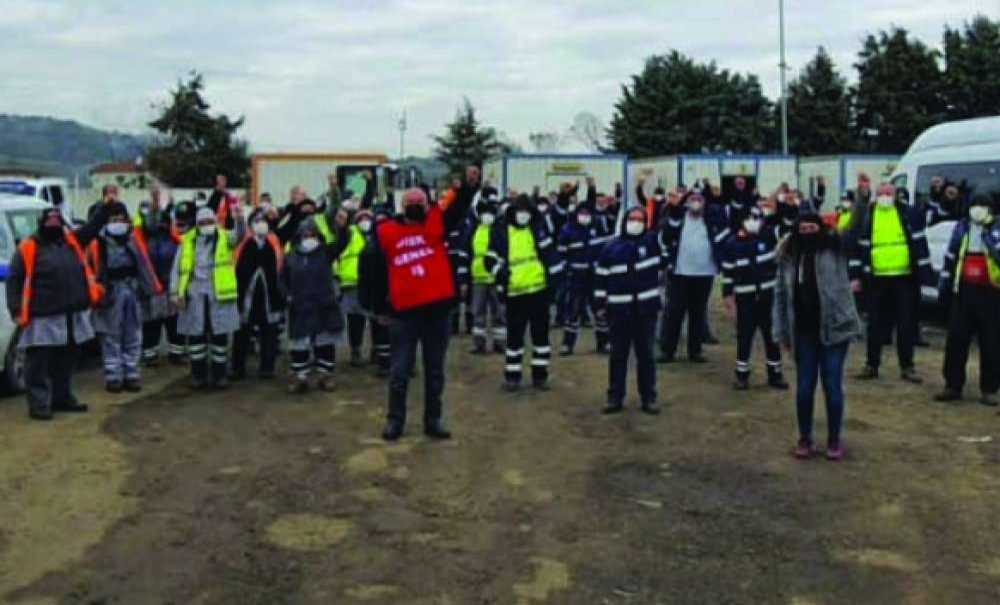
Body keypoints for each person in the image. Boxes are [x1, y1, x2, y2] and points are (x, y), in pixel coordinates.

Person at [361, 167, 480, 441]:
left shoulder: (436, 223)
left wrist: (468, 188)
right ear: (403, 207)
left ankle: (433, 419)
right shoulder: (386, 231)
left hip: (437, 312)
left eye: (421, 204)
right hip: (404, 314)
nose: (416, 208)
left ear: (427, 206)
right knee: (399, 372)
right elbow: (371, 271)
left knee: (435, 371)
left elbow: (458, 208)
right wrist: (377, 309)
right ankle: (395, 421)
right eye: (411, 205)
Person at [6, 205, 110, 420]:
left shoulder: (71, 241)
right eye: (50, 220)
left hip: (71, 313)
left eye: (57, 219)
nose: (54, 222)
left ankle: (62, 399)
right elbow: (14, 280)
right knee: (38, 364)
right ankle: (39, 405)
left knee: (66, 361)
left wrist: (106, 208)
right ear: (42, 223)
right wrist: (15, 309)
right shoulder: (29, 247)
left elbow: (91, 229)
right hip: (42, 315)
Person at [773, 211, 861, 461]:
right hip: (803, 333)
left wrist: (862, 201)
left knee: (832, 386)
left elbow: (854, 230)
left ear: (820, 229)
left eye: (813, 228)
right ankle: (805, 439)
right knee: (804, 388)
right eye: (804, 229)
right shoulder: (788, 255)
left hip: (835, 329)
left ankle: (834, 440)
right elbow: (780, 295)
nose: (809, 233)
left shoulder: (835, 247)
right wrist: (781, 333)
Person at [853, 183, 932, 383]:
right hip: (876, 279)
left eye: (888, 193)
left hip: (904, 278)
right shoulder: (868, 215)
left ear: (895, 195)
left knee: (906, 324)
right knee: (875, 324)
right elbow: (858, 247)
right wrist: (856, 276)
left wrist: (925, 276)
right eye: (881, 193)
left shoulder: (908, 213)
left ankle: (907, 367)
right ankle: (871, 365)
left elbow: (920, 243)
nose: (885, 196)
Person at [486, 194, 565, 391]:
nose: (524, 216)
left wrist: (555, 285)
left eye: (527, 212)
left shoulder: (537, 229)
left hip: (539, 291)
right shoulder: (502, 231)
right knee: (514, 338)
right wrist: (499, 272)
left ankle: (540, 376)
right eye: (520, 212)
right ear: (513, 212)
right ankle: (513, 377)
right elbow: (489, 259)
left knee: (541, 338)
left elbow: (551, 257)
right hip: (515, 293)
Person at [593, 206, 665, 414]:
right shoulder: (610, 248)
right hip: (619, 311)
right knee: (618, 356)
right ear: (624, 221)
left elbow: (669, 238)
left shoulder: (652, 243)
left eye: (640, 219)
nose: (636, 222)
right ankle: (614, 397)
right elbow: (600, 278)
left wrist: (673, 209)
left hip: (646, 310)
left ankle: (649, 397)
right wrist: (599, 305)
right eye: (632, 218)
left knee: (646, 356)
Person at [88, 203, 164, 392]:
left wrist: (152, 289)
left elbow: (144, 265)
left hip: (132, 289)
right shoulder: (98, 242)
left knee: (133, 333)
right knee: (110, 335)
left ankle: (131, 374)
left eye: (121, 219)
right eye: (114, 219)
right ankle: (113, 376)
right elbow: (89, 269)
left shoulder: (133, 238)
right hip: (109, 292)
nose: (118, 223)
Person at [934, 193, 1000, 406]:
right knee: (956, 340)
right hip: (963, 291)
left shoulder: (997, 229)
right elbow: (951, 258)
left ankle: (989, 389)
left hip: (991, 292)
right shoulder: (962, 227)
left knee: (991, 343)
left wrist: (991, 240)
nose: (977, 209)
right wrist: (944, 287)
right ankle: (952, 385)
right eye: (975, 205)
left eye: (982, 205)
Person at [170, 206, 246, 390]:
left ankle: (220, 375)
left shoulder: (224, 237)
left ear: (216, 222)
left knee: (219, 336)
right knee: (196, 338)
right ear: (196, 224)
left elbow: (240, 235)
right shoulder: (187, 241)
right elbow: (177, 269)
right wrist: (174, 292)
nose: (207, 225)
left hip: (218, 294)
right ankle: (198, 375)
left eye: (210, 222)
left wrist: (240, 219)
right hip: (195, 293)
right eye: (203, 223)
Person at [721, 206, 788, 391]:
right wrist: (727, 296)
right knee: (745, 337)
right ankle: (741, 375)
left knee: (771, 337)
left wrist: (784, 206)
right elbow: (728, 273)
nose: (754, 220)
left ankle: (775, 374)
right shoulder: (732, 244)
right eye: (750, 217)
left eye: (757, 217)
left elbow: (786, 228)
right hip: (745, 299)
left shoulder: (768, 237)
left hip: (768, 297)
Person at [282, 213, 350, 393]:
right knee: (299, 345)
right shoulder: (291, 256)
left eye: (312, 235)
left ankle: (325, 376)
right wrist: (286, 295)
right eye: (305, 235)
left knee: (325, 343)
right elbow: (282, 280)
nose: (309, 239)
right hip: (300, 306)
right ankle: (299, 378)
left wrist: (342, 228)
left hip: (324, 305)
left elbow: (342, 243)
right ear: (299, 237)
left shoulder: (326, 252)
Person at [659, 191, 728, 363]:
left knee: (698, 313)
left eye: (699, 200)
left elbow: (724, 236)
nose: (696, 203)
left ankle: (695, 351)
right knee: (674, 312)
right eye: (692, 200)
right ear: (686, 203)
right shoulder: (678, 218)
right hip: (680, 273)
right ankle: (668, 350)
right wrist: (674, 211)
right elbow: (666, 237)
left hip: (705, 273)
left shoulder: (712, 220)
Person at [231, 208, 285, 380]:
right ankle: (238, 367)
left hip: (267, 297)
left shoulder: (271, 245)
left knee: (269, 332)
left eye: (264, 222)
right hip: (247, 296)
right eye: (257, 222)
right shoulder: (245, 245)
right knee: (242, 333)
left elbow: (274, 271)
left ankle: (267, 367)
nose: (261, 225)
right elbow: (240, 271)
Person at [136, 193, 185, 366]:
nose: (160, 224)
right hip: (151, 288)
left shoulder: (176, 240)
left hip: (170, 286)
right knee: (151, 323)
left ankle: (176, 353)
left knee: (174, 322)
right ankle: (150, 355)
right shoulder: (143, 238)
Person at [558, 204, 608, 355]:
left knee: (600, 310)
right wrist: (567, 270)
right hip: (576, 278)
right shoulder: (568, 231)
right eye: (582, 213)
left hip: (594, 277)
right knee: (573, 312)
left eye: (588, 213)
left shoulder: (598, 228)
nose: (585, 216)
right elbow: (561, 255)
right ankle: (567, 344)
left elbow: (604, 251)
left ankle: (604, 343)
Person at [462, 192, 506, 355]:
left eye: (490, 213)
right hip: (478, 278)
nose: (487, 216)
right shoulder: (473, 231)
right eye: (484, 213)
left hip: (495, 277)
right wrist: (464, 279)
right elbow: (466, 254)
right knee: (478, 313)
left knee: (499, 313)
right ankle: (478, 343)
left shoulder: (499, 231)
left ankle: (500, 343)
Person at [336, 208, 374, 366]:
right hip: (352, 281)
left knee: (376, 318)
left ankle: (377, 350)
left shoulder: (375, 234)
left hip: (372, 282)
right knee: (355, 319)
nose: (365, 221)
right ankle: (355, 350)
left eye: (368, 218)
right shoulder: (350, 233)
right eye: (361, 218)